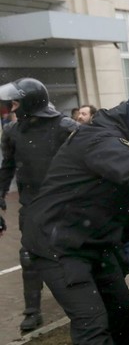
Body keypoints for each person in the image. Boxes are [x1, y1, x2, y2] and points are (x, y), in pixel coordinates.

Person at [21, 93, 129, 344]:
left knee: (121, 312)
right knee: (91, 322)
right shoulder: (97, 138)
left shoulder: (123, 140)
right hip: (57, 244)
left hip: (95, 243)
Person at [0, 77, 79, 332]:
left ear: (29, 102)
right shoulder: (12, 132)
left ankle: (83, 302)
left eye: (16, 103)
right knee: (29, 257)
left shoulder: (66, 127)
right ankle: (32, 310)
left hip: (66, 205)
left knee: (74, 255)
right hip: (32, 206)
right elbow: (8, 167)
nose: (12, 108)